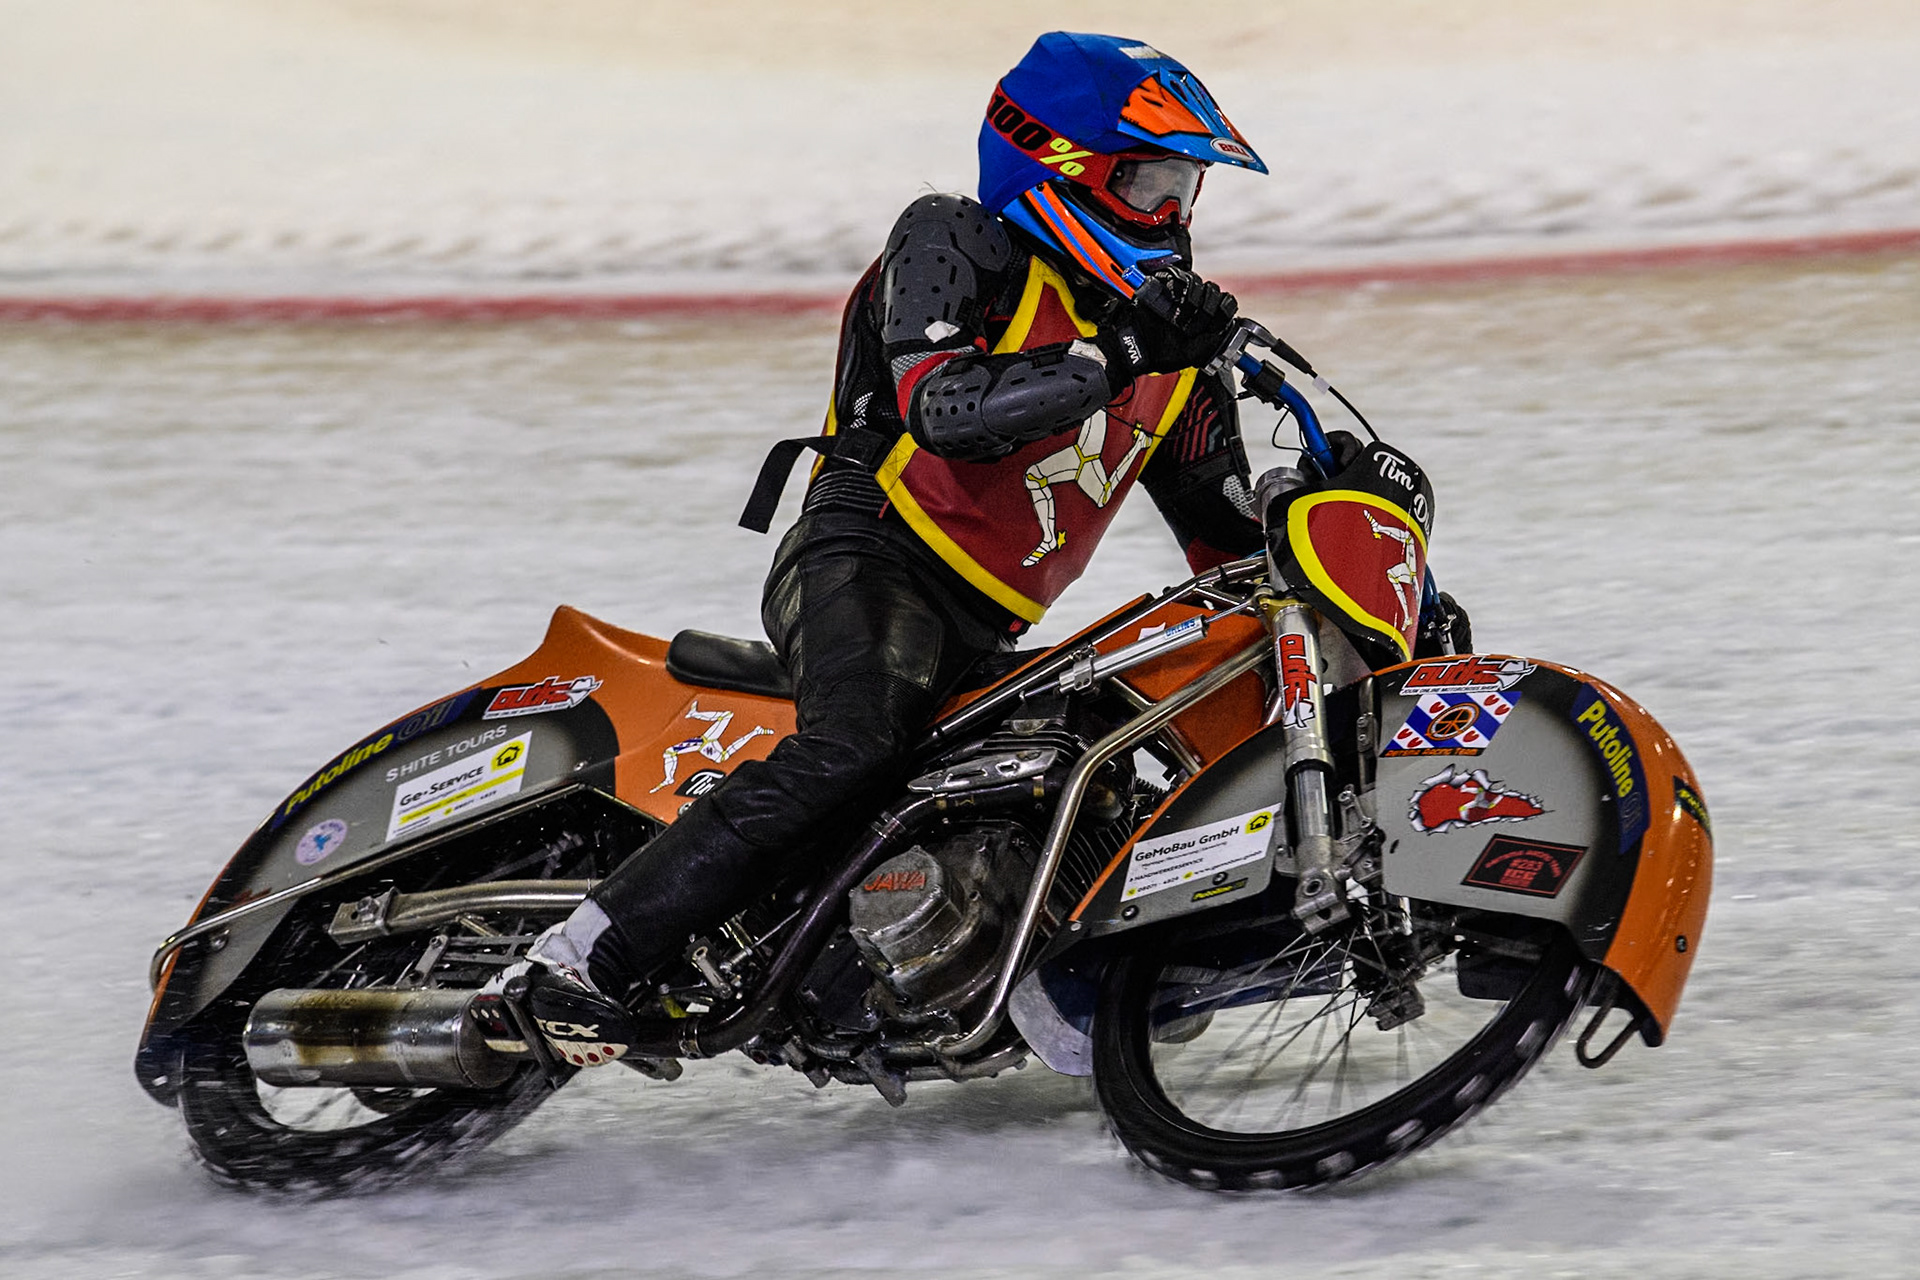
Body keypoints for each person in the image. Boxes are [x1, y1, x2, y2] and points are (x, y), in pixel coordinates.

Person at [510, 32, 1455, 1067]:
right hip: (867, 554)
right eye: (1145, 179)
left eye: (1184, 187)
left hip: (987, 622)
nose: (1171, 214)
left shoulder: (1177, 361)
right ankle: (573, 963)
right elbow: (945, 407)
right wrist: (1123, 350)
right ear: (1053, 160)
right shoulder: (956, 240)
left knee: (1096, 762)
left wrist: (1343, 510)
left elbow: (1226, 542)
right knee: (857, 740)